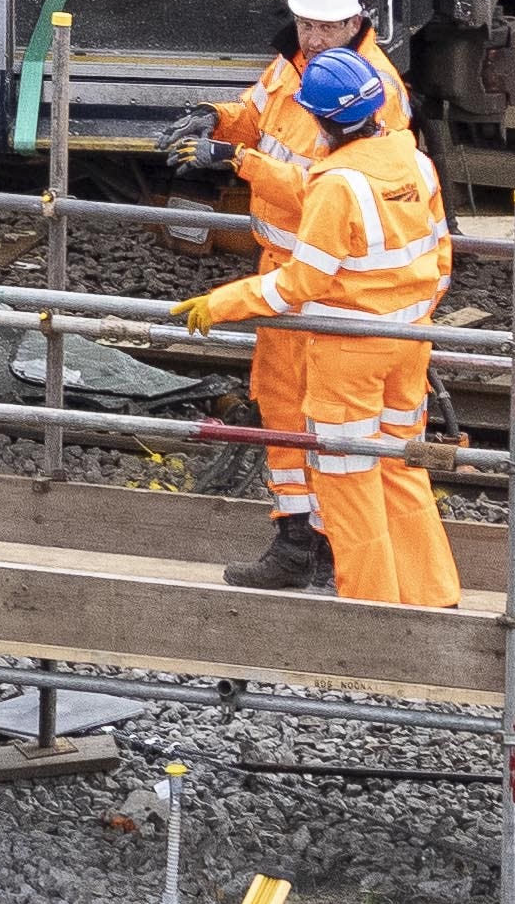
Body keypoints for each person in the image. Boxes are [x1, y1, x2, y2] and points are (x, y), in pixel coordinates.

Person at [176, 47, 459, 606]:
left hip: (347, 350)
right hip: (408, 344)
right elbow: (442, 257)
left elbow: (296, 285)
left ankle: (373, 614)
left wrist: (222, 302)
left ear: (317, 117)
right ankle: (433, 596)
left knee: (348, 478)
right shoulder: (416, 163)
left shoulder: (337, 185)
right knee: (401, 466)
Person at [164, 0, 378, 592]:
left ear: (356, 21)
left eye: (326, 28)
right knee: (284, 409)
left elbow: (330, 189)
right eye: (304, 25)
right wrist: (216, 118)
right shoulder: (295, 62)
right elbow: (258, 111)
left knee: (333, 424)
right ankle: (297, 542)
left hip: (325, 280)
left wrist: (240, 162)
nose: (312, 40)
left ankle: (332, 550)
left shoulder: (369, 89)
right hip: (288, 268)